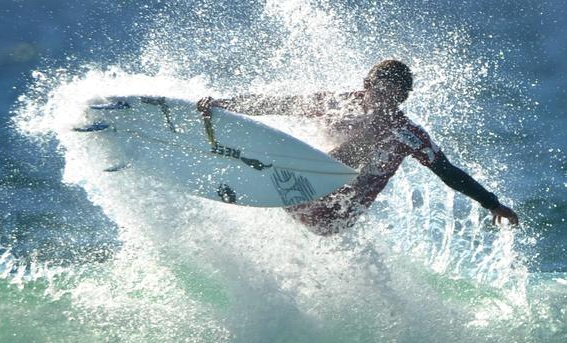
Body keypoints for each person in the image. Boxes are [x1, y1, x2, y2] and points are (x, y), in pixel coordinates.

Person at [199, 60, 519, 235]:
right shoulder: (340, 102)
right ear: (366, 86)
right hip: (298, 195)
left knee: (381, 134)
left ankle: (261, 175)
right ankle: (237, 177)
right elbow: (281, 103)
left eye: (396, 98)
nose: (386, 102)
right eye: (381, 93)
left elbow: (447, 171)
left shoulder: (406, 133)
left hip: (337, 216)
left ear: (403, 99)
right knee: (298, 132)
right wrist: (224, 105)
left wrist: (491, 203)